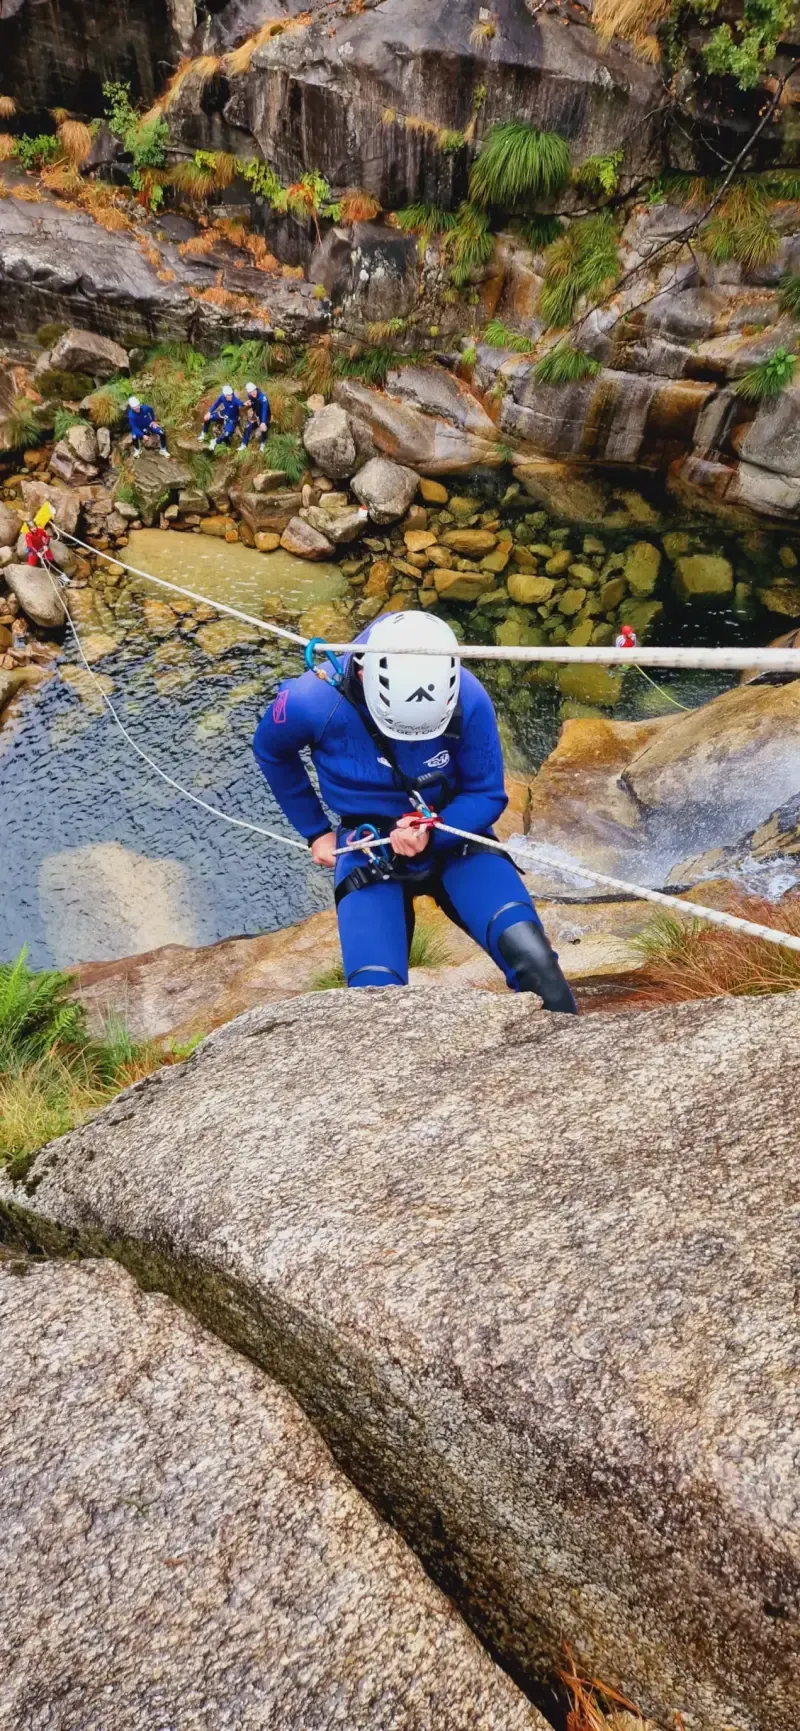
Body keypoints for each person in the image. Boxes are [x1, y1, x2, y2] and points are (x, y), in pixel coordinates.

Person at [253, 610, 577, 1011]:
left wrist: (432, 831)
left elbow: (486, 794)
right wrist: (315, 829)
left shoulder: (467, 698)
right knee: (373, 1002)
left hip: (453, 834)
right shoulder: (310, 701)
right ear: (362, 677)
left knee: (536, 962)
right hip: (368, 844)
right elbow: (271, 750)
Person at [200, 384, 243, 450]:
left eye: (231, 394)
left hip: (231, 419)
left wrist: (244, 404)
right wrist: (209, 412)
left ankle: (215, 441)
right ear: (225, 395)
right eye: (229, 395)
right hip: (223, 414)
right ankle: (204, 434)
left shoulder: (234, 399)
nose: (231, 396)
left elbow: (240, 403)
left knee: (227, 434)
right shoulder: (222, 397)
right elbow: (215, 404)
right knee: (208, 418)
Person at [240, 381, 271, 451]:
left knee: (263, 428)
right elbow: (253, 404)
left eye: (254, 390)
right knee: (248, 427)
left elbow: (264, 409)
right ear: (248, 393)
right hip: (256, 415)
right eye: (251, 392)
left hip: (265, 416)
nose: (253, 393)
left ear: (256, 389)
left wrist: (263, 422)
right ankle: (244, 444)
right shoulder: (250, 396)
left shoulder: (263, 398)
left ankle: (263, 443)